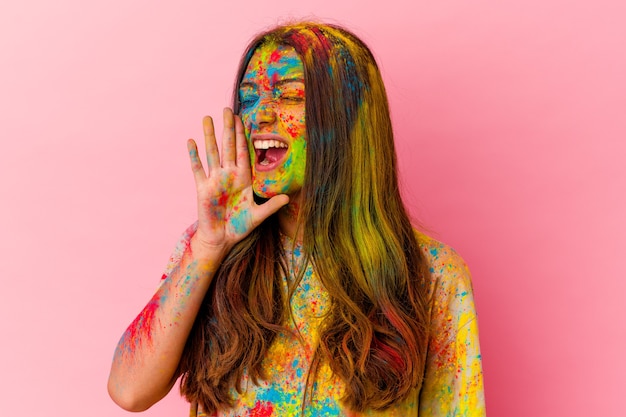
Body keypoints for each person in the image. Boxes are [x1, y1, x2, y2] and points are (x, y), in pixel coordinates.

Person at [108, 22, 485, 416]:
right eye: (249, 97)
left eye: (288, 96)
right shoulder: (209, 249)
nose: (260, 115)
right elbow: (128, 390)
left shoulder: (432, 276)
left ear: (347, 119)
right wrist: (206, 248)